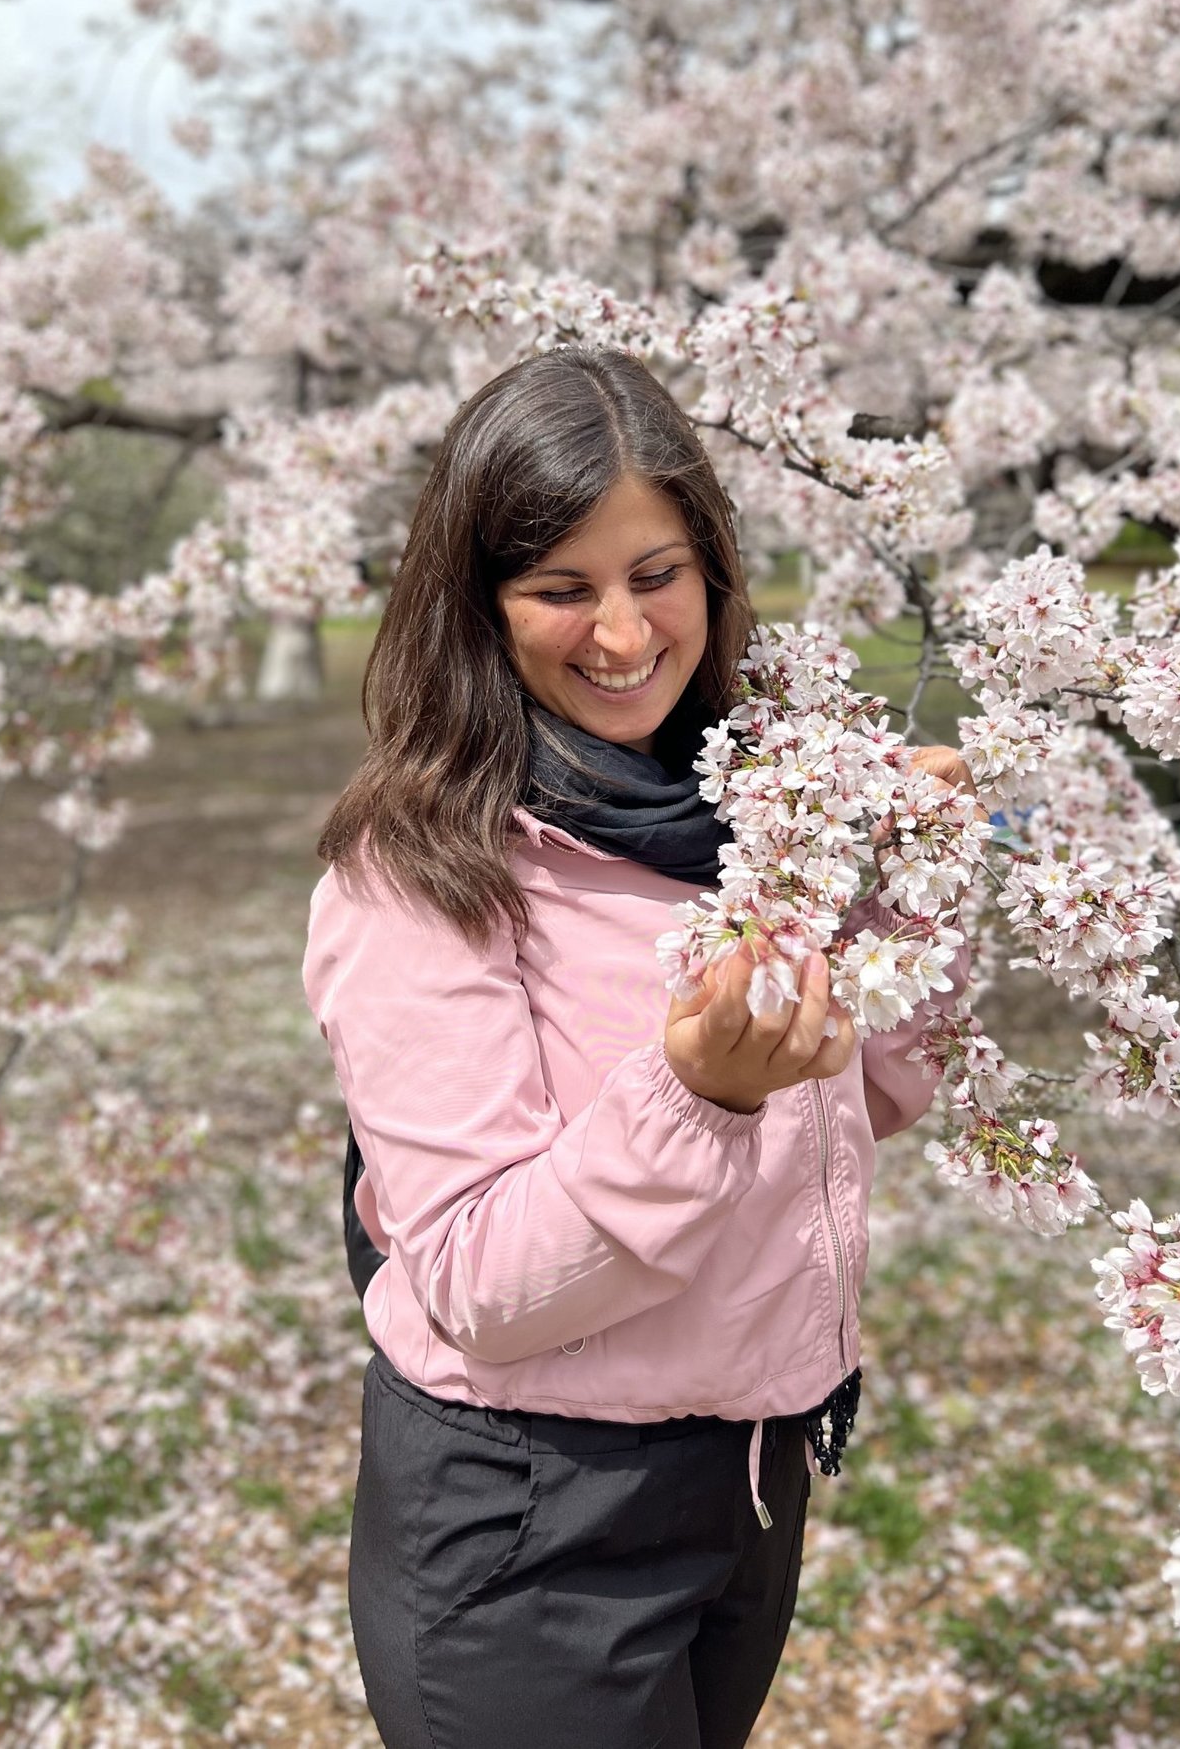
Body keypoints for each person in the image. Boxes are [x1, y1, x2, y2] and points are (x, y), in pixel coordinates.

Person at [303, 345, 975, 1749]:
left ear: (715, 573)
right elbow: (483, 1275)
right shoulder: (419, 867)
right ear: (481, 606)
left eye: (656, 574)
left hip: (745, 1479)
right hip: (530, 1521)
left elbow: (885, 1091)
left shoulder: (761, 800)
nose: (621, 633)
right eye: (561, 588)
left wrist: (916, 881)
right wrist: (699, 1094)